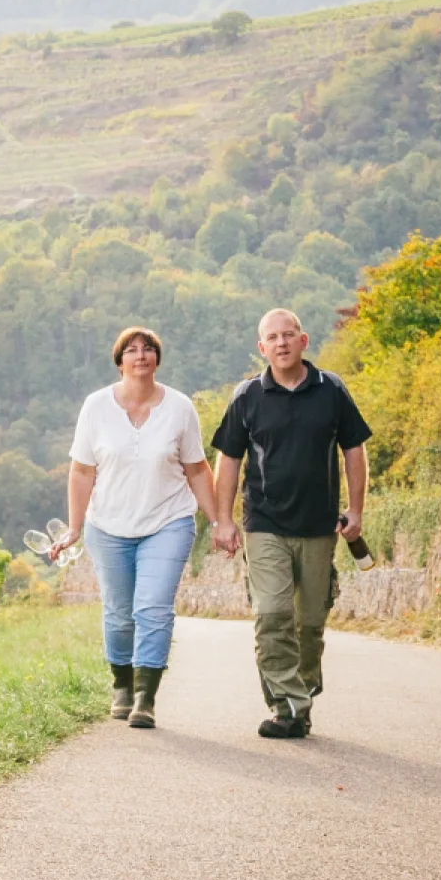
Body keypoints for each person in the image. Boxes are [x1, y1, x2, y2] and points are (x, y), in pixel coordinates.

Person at [209, 307, 372, 739]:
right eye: (271, 338)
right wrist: (222, 519)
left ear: (303, 340)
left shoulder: (331, 390)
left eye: (288, 335)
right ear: (262, 349)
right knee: (272, 613)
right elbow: (227, 460)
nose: (281, 343)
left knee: (310, 622)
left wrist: (356, 510)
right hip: (264, 523)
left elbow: (354, 451)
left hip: (320, 526)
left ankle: (300, 701)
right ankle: (287, 705)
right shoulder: (247, 396)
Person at [60, 326, 218, 728]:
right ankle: (122, 687)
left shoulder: (180, 407)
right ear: (119, 362)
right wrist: (74, 528)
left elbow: (197, 469)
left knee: (153, 608)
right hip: (108, 525)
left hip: (167, 520)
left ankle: (146, 699)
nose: (140, 355)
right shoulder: (95, 407)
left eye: (148, 349)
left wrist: (220, 520)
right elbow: (81, 472)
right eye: (131, 350)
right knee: (119, 612)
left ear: (157, 359)